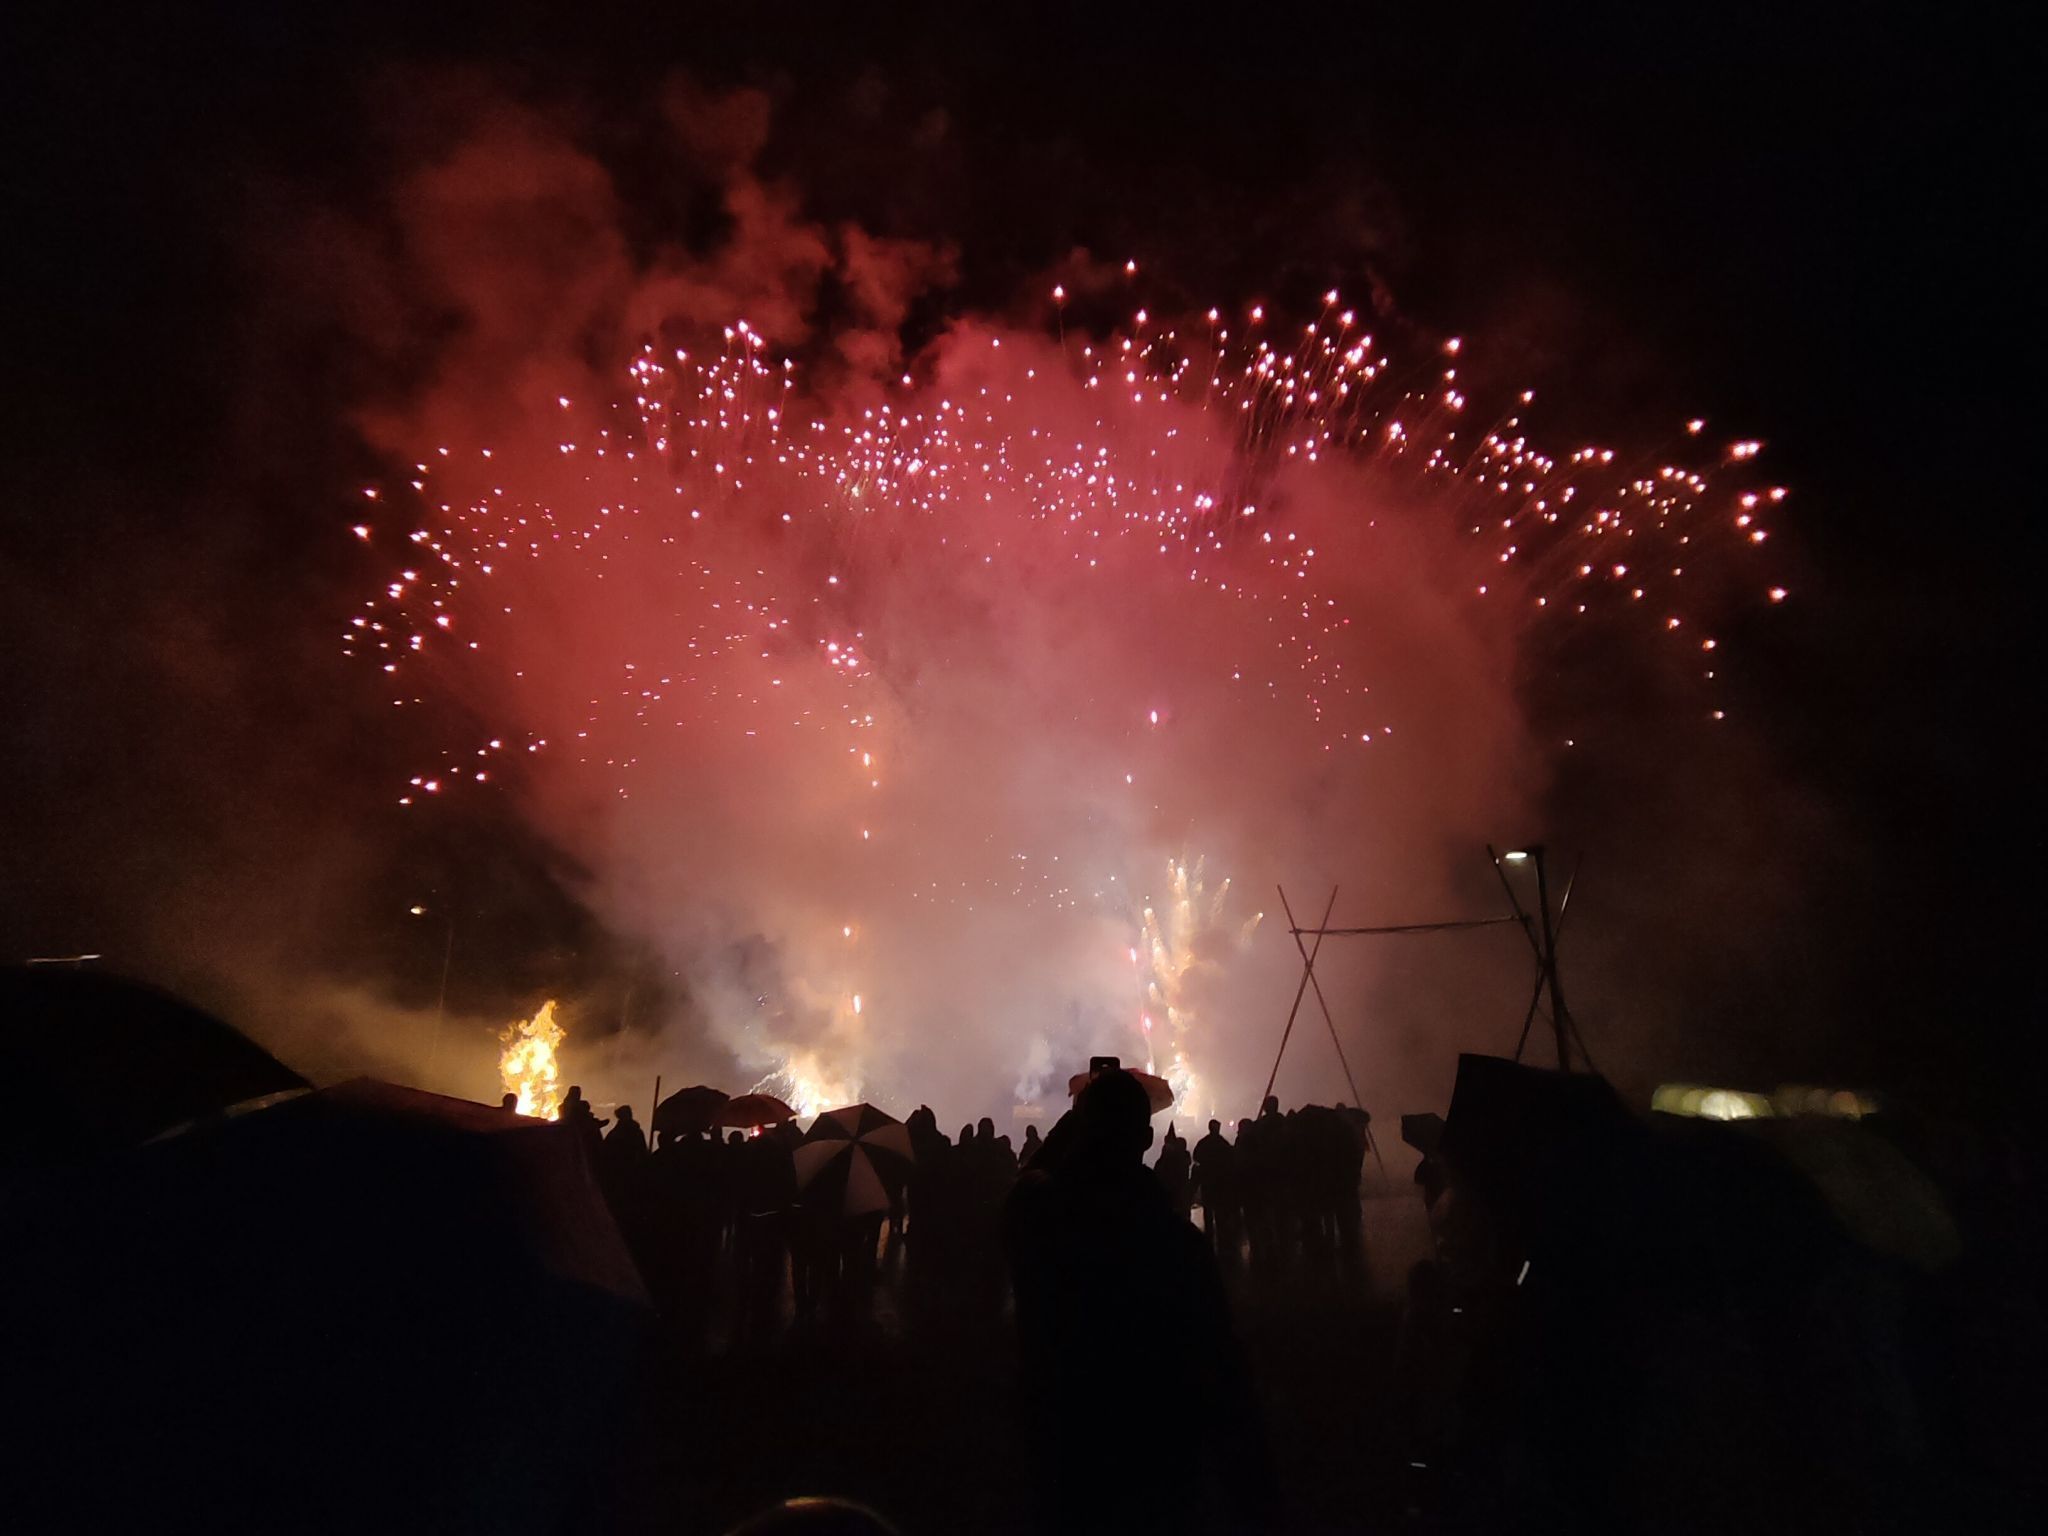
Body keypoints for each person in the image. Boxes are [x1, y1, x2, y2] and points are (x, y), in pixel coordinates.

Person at [1005, 1068, 1271, 1533]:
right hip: (1159, 1463)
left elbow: (1022, 1189)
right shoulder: (1176, 1243)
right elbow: (1223, 1371)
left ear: (1081, 1131)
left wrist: (1076, 1122)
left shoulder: (1045, 1226)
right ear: (1146, 1138)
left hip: (1066, 1457)